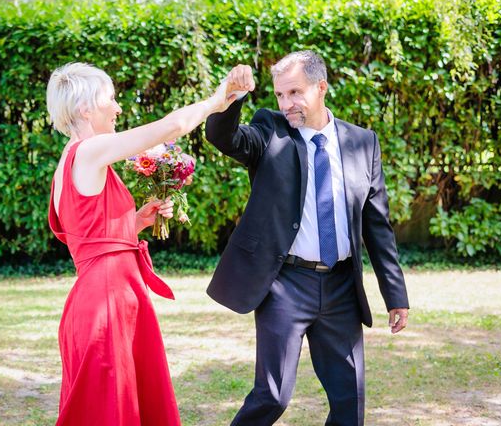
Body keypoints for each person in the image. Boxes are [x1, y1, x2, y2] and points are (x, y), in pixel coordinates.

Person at [205, 50, 410, 426]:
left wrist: (395, 295)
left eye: (295, 93)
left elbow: (377, 226)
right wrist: (231, 96)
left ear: (321, 87)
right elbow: (223, 136)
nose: (286, 104)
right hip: (286, 285)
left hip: (341, 287)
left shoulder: (363, 142)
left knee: (351, 398)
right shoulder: (270, 131)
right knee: (273, 395)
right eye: (280, 95)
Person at [45, 62, 236, 425]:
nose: (117, 109)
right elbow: (172, 127)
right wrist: (215, 101)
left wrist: (133, 224)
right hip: (107, 304)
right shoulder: (88, 151)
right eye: (111, 99)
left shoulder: (68, 163)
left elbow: (87, 238)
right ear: (86, 108)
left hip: (104, 296)